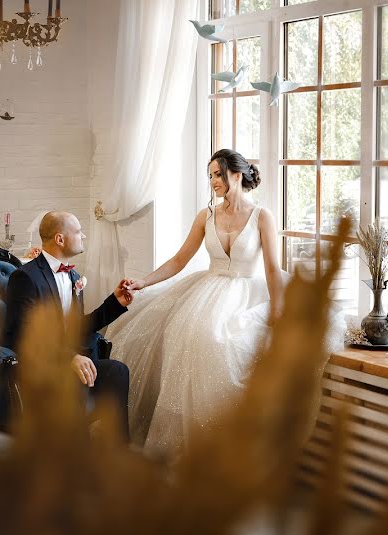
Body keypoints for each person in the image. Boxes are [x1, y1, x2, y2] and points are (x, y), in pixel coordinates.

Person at [109, 148, 343, 456]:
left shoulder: (262, 217)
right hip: (207, 291)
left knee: (224, 348)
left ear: (237, 174)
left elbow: (273, 268)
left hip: (247, 292)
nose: (213, 182)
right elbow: (180, 260)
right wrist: (143, 281)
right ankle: (191, 446)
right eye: (210, 176)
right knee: (187, 339)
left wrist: (277, 308)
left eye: (217, 174)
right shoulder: (206, 216)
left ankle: (230, 448)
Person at [1, 211, 135, 439]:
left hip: (67, 360)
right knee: (76, 378)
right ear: (60, 239)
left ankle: (118, 452)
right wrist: (69, 357)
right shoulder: (26, 277)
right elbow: (22, 334)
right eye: (78, 231)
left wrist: (114, 303)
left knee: (118, 371)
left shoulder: (74, 278)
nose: (83, 236)